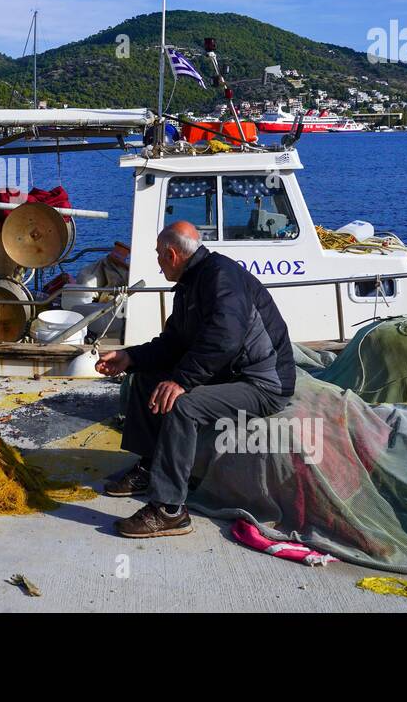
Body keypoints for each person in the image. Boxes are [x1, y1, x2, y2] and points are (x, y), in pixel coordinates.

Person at [95, 221, 295, 538]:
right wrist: (130, 357)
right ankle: (150, 466)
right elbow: (173, 342)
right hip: (232, 373)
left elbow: (225, 339)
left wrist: (182, 381)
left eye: (160, 256)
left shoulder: (220, 277)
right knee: (145, 378)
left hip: (263, 384)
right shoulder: (192, 282)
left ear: (173, 254)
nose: (159, 264)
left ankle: (169, 509)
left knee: (182, 404)